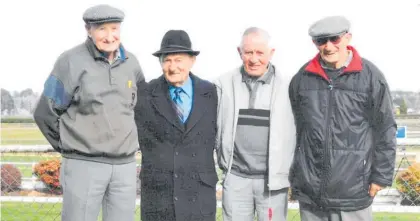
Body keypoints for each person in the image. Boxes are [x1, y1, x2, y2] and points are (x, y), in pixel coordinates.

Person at [33, 4, 144, 221]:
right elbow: (44, 113)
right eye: (102, 29)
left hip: (125, 167)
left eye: (114, 28)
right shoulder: (70, 61)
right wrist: (70, 145)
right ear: (88, 30)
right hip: (84, 165)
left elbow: (140, 110)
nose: (109, 36)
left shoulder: (132, 63)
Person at [288, 15, 397, 221]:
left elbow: (385, 128)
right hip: (311, 194)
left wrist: (381, 176)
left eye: (334, 39)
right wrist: (296, 177)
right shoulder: (302, 78)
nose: (328, 46)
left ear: (348, 38)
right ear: (314, 43)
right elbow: (294, 130)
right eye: (321, 41)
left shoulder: (371, 77)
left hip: (353, 191)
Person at [134, 30, 218, 221]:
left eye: (178, 60)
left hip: (199, 196)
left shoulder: (211, 93)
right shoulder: (146, 94)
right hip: (159, 197)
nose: (172, 67)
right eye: (167, 60)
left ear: (192, 61)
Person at [214, 27, 296, 221]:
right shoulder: (222, 84)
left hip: (272, 183)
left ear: (271, 53)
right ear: (239, 52)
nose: (254, 59)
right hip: (236, 179)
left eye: (260, 53)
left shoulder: (289, 87)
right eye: (248, 52)